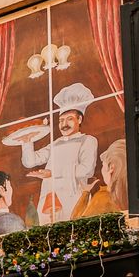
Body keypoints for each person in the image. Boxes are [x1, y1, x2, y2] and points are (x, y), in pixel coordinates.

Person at [18, 85, 98, 223]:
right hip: (49, 199)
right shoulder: (55, 144)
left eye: (69, 119)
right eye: (61, 120)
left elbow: (86, 170)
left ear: (79, 120)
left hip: (73, 198)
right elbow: (30, 162)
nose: (64, 124)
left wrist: (52, 173)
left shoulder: (88, 140)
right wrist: (27, 142)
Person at [72, 139, 128, 218]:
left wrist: (85, 193)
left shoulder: (103, 198)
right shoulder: (130, 194)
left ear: (111, 168)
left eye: (103, 165)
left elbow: (76, 222)